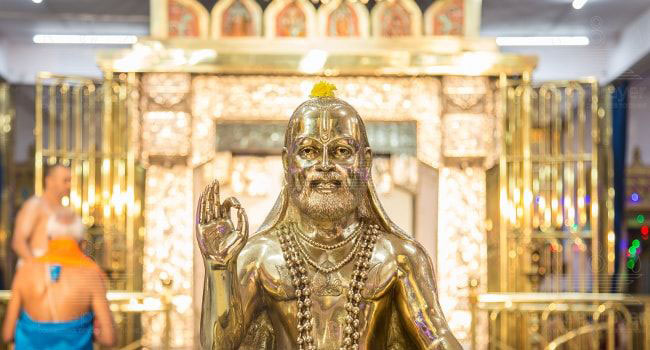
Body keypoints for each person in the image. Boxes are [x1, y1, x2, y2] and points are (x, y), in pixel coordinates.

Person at [196, 82, 462, 350]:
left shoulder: (399, 257)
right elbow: (218, 346)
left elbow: (436, 336)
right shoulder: (259, 256)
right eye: (308, 151)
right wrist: (218, 267)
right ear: (288, 163)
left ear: (365, 162)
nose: (324, 165)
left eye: (342, 151)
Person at [1, 234, 116, 349]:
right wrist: (88, 334)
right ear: (80, 243)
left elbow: (7, 335)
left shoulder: (26, 273)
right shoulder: (90, 274)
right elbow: (108, 338)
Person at [12, 164, 74, 263]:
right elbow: (18, 241)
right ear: (50, 181)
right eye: (65, 180)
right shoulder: (35, 205)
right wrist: (36, 267)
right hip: (41, 268)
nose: (69, 185)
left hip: (65, 270)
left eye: (70, 180)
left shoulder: (67, 210)